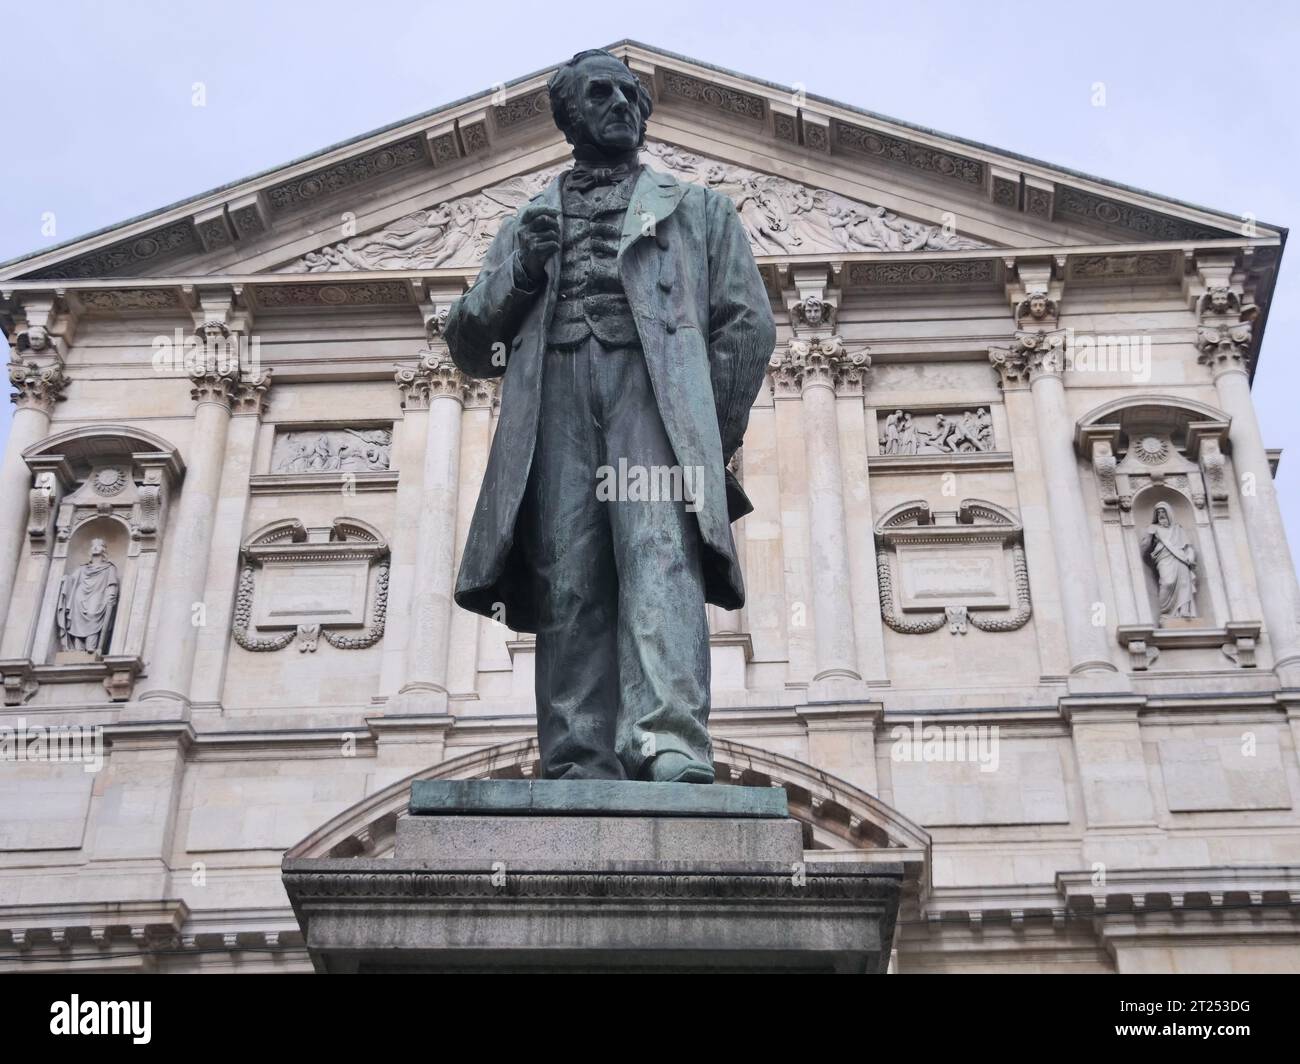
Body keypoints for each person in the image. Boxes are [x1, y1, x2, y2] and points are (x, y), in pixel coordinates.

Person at [445, 49, 776, 784]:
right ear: (569, 116)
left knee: (660, 560)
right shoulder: (526, 223)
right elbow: (469, 344)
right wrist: (520, 273)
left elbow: (747, 325)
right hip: (555, 398)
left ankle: (668, 743)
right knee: (569, 574)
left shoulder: (700, 210)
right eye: (602, 93)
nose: (623, 103)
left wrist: (703, 432)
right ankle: (576, 757)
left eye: (632, 94)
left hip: (650, 397)